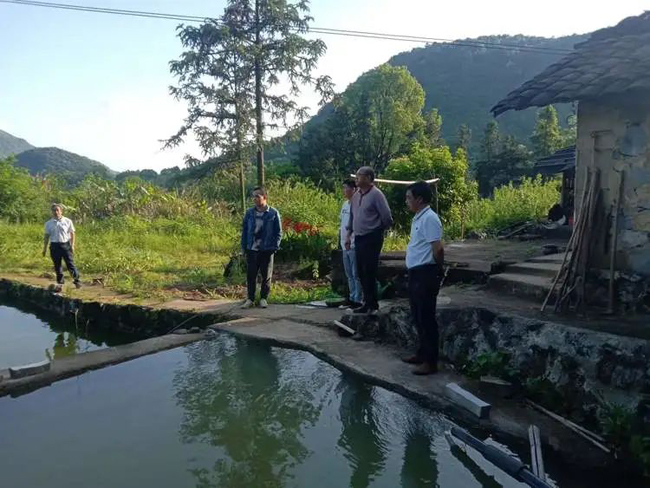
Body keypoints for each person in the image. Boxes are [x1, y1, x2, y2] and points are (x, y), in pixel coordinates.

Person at [402, 181, 444, 375]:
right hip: (415, 272)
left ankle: (431, 361)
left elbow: (438, 249)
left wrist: (437, 268)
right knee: (418, 316)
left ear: (419, 199)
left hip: (426, 272)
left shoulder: (430, 218)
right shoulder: (418, 218)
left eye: (409, 198)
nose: (406, 201)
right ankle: (422, 353)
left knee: (426, 318)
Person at [345, 166, 393, 315]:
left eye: (359, 175)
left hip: (372, 236)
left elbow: (387, 217)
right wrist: (348, 235)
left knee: (369, 270)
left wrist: (377, 230)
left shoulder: (377, 195)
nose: (356, 178)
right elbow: (352, 217)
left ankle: (373, 304)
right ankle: (366, 303)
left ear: (368, 178)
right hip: (359, 237)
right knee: (360, 270)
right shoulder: (356, 196)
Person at [240, 186, 282, 309]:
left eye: (257, 196)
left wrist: (274, 247)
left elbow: (278, 232)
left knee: (266, 275)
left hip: (267, 249)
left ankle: (263, 298)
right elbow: (245, 231)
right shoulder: (249, 213)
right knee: (251, 275)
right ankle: (250, 299)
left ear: (265, 197)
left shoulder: (273, 213)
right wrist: (244, 247)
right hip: (252, 249)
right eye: (253, 196)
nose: (254, 199)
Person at [42, 203, 81, 288]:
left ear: (61, 211)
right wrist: (44, 249)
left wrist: (72, 245)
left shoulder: (67, 221)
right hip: (54, 246)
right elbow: (46, 236)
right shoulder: (48, 223)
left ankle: (77, 281)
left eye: (57, 210)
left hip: (65, 245)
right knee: (57, 265)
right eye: (54, 210)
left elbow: (72, 233)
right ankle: (60, 283)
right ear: (52, 212)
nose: (56, 212)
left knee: (70, 264)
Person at [340, 179, 362, 308]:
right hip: (344, 244)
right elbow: (342, 223)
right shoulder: (345, 205)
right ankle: (351, 296)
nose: (344, 190)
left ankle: (357, 299)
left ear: (354, 189)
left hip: (354, 243)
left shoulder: (358, 205)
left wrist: (350, 238)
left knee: (356, 274)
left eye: (346, 188)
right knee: (349, 274)